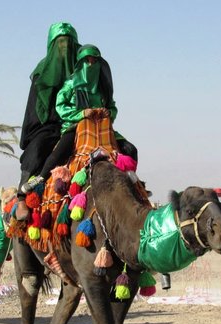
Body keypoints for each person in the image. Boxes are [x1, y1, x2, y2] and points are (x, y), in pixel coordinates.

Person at [20, 44, 138, 198]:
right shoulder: (71, 84)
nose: (90, 64)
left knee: (130, 149)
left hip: (102, 128)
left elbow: (112, 107)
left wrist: (108, 112)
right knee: (61, 151)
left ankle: (134, 184)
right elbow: (60, 107)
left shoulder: (102, 88)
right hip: (76, 127)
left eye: (94, 61)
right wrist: (82, 113)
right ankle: (40, 178)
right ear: (80, 63)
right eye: (86, 60)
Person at [15, 22, 81, 220]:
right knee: (37, 149)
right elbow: (34, 108)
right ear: (52, 45)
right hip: (49, 124)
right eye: (60, 42)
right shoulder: (41, 72)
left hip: (79, 122)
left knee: (123, 148)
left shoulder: (82, 69)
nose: (65, 46)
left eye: (68, 42)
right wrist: (52, 124)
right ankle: (21, 198)